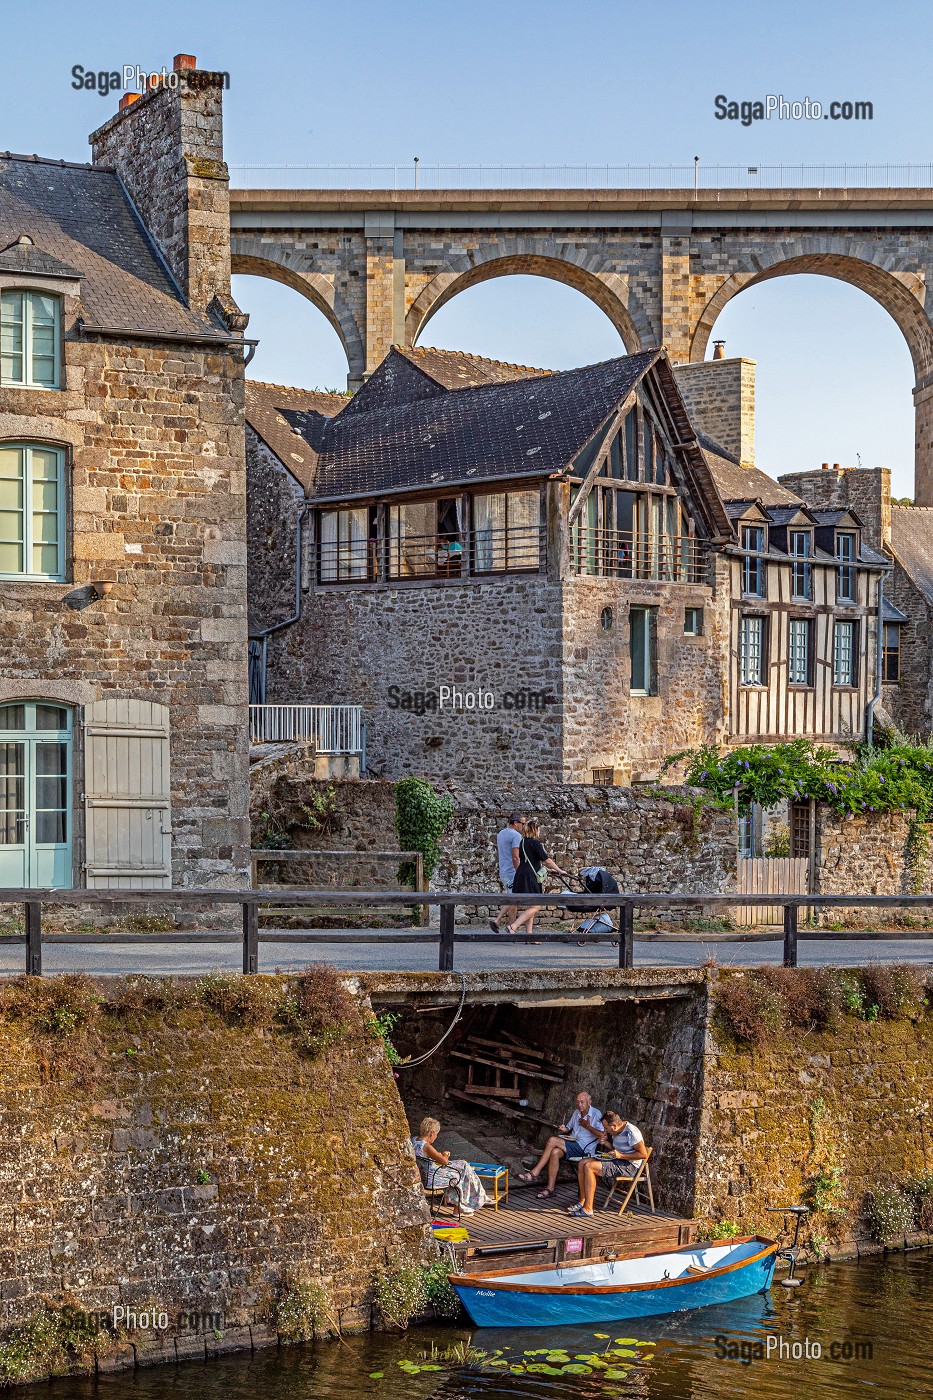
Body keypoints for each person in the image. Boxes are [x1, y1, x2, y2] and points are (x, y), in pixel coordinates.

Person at [516, 1091, 603, 1199]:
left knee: (553, 1140)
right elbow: (568, 1128)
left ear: (589, 1102)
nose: (579, 1105)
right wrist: (563, 1128)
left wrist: (588, 1126)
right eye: (578, 1102)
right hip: (573, 1143)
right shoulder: (576, 1112)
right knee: (555, 1152)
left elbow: (602, 1135)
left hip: (584, 1148)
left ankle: (534, 1173)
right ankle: (550, 1189)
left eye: (582, 1102)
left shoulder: (596, 1114)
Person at [568, 1110, 648, 1217]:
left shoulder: (631, 1133)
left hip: (629, 1166)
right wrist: (605, 1143)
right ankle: (582, 1201)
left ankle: (588, 1209)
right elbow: (616, 1150)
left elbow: (643, 1154)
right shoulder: (616, 1131)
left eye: (606, 1128)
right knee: (582, 1162)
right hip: (618, 1160)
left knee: (589, 1167)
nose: (605, 1131)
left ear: (614, 1126)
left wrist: (621, 1156)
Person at [505, 819, 570, 941]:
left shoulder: (523, 842)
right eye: (539, 829)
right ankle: (513, 926)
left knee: (530, 906)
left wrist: (547, 870)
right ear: (535, 830)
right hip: (530, 877)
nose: (540, 831)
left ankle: (529, 936)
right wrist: (559, 870)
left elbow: (530, 860)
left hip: (521, 874)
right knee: (536, 906)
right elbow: (546, 860)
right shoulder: (535, 843)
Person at [411, 1116, 489, 1215]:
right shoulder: (426, 1146)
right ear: (432, 1133)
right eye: (436, 1134)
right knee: (461, 1173)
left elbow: (427, 1158)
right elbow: (444, 1161)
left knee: (462, 1167)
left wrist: (438, 1156)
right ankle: (468, 1204)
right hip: (432, 1179)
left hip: (423, 1176)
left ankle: (463, 1205)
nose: (436, 1137)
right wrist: (445, 1155)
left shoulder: (413, 1140)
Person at [490, 812, 525, 933]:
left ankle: (511, 928)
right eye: (522, 823)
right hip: (512, 871)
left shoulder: (501, 833)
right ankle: (499, 920)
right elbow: (515, 857)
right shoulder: (516, 836)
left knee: (513, 901)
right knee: (513, 899)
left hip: (504, 870)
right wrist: (519, 871)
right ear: (515, 823)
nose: (523, 826)